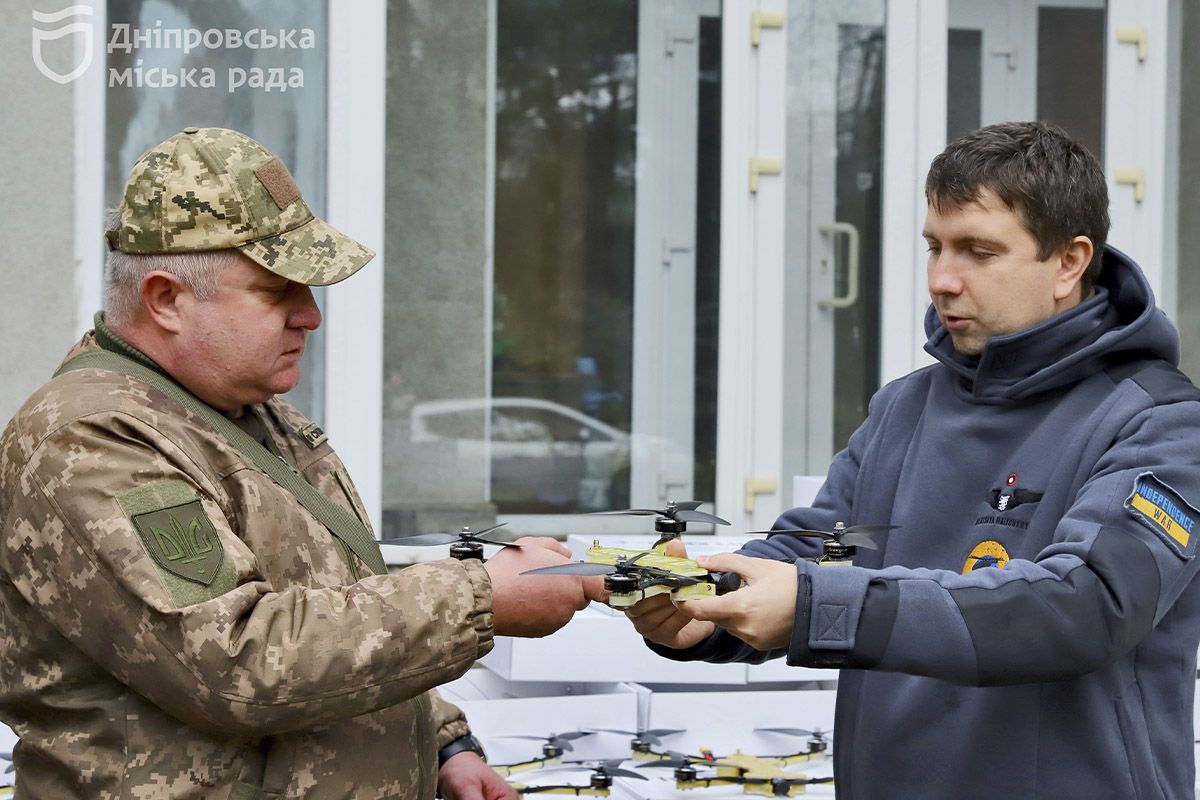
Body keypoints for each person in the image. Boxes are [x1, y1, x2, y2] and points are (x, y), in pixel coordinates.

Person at [0, 127, 603, 799]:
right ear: (166, 299)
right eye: (276, 291)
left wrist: (441, 743)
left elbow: (330, 607)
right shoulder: (92, 439)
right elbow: (233, 662)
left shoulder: (242, 411)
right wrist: (481, 597)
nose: (310, 316)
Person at [627, 121, 1200, 799]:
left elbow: (1087, 606)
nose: (940, 279)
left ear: (1069, 262)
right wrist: (703, 610)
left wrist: (821, 608)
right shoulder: (905, 406)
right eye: (934, 247)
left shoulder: (1160, 420)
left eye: (977, 251)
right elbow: (816, 553)